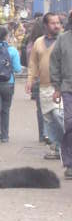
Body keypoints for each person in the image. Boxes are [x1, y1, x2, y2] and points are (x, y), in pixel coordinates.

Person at [26, 13, 64, 160]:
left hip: (59, 87)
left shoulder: (64, 40)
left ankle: (65, 147)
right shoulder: (38, 42)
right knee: (48, 119)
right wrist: (30, 79)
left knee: (59, 116)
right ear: (46, 26)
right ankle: (56, 148)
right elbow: (33, 63)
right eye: (53, 23)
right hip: (43, 86)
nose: (57, 25)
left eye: (58, 23)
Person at [50, 20, 72, 179]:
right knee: (70, 123)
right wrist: (57, 87)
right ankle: (70, 163)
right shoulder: (63, 40)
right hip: (68, 88)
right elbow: (55, 64)